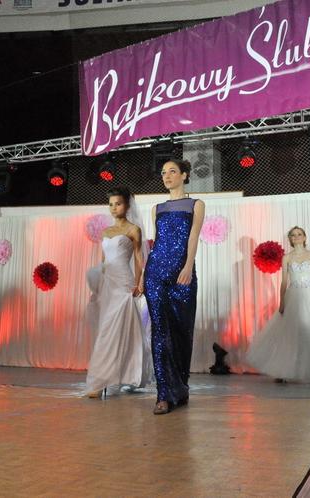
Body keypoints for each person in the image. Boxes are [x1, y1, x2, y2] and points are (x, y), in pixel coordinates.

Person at [247, 226, 310, 382]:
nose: (296, 237)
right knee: (289, 334)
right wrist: (282, 302)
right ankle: (284, 371)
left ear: (304, 237)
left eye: (299, 234)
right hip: (293, 296)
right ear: (290, 239)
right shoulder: (287, 258)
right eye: (293, 235)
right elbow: (284, 282)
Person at [143, 159, 205, 415]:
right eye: (163, 173)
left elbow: (193, 237)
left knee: (182, 332)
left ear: (184, 175)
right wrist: (143, 274)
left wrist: (188, 266)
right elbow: (157, 243)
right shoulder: (157, 209)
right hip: (155, 274)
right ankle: (163, 396)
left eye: (172, 172)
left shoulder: (196, 205)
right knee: (159, 332)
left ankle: (180, 389)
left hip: (182, 275)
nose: (166, 176)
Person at [85, 187, 152, 397]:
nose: (114, 208)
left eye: (118, 204)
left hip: (124, 283)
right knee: (107, 330)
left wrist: (139, 282)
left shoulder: (133, 229)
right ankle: (107, 378)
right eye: (111, 204)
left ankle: (102, 381)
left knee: (117, 329)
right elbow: (104, 262)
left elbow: (139, 259)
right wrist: (97, 285)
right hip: (108, 284)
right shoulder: (106, 232)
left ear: (127, 205)